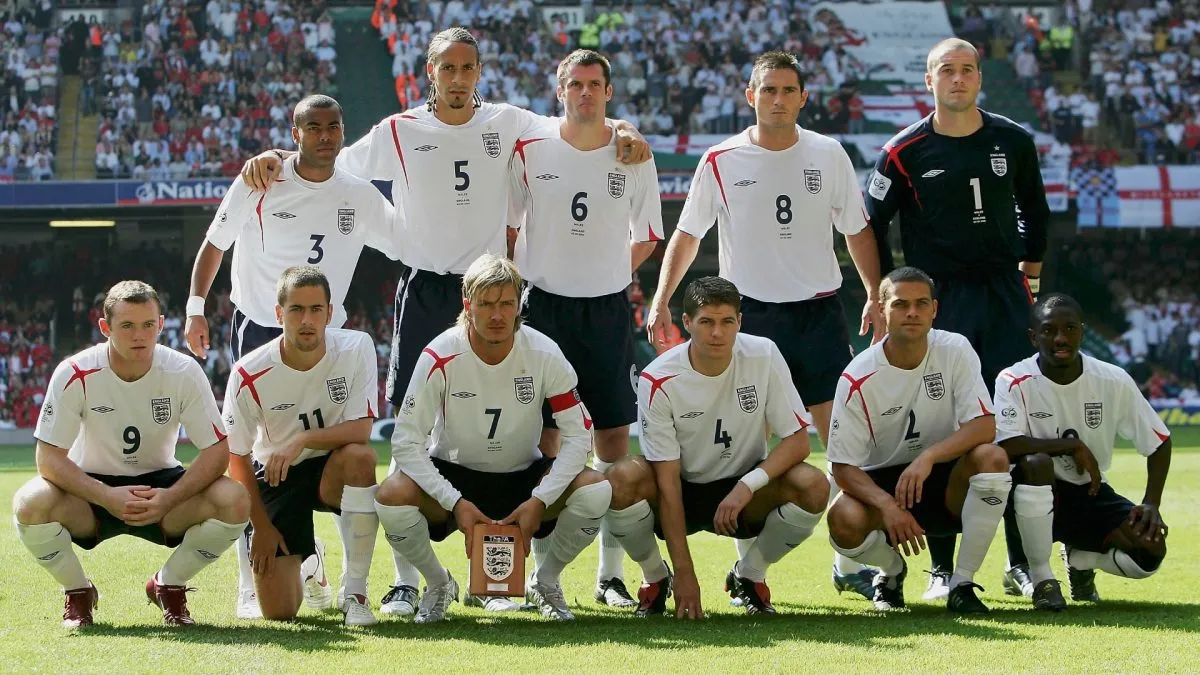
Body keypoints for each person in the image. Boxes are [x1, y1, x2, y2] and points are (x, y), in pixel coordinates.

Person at [240, 28, 649, 615]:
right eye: (447, 69)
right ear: (428, 72)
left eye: (468, 68)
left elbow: (579, 121)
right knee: (413, 429)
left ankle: (514, 567)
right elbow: (328, 160)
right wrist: (275, 158)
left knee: (528, 428)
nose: (458, 79)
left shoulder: (508, 123)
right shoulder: (399, 132)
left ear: (479, 72)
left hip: (488, 292)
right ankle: (411, 580)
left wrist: (627, 132)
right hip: (427, 288)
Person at [646, 51, 884, 600]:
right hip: (748, 319)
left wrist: (873, 293)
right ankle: (748, 568)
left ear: (804, 98)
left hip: (819, 315)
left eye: (788, 90)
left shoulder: (828, 154)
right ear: (749, 97)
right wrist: (661, 300)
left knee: (842, 447)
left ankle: (850, 563)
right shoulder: (721, 159)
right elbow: (687, 235)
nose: (778, 99)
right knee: (749, 444)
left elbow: (857, 230)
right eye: (767, 90)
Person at [186, 93, 398, 619]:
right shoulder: (263, 178)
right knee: (255, 454)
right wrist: (195, 309)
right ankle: (248, 579)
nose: (326, 136)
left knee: (333, 454)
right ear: (296, 131)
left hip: (327, 333)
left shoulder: (359, 194)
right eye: (314, 127)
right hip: (260, 325)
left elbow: (409, 242)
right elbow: (216, 242)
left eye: (335, 126)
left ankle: (340, 577)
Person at [863, 37, 1051, 600]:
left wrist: (1031, 283)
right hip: (938, 300)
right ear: (930, 81)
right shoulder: (903, 150)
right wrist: (885, 294)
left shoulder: (1013, 140)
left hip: (1002, 296)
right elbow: (871, 226)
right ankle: (940, 566)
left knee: (1014, 422)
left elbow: (1037, 212)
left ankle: (1023, 562)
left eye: (968, 70)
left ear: (979, 79)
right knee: (939, 425)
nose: (959, 79)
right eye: (947, 70)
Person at [507, 48, 663, 608]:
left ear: (609, 91)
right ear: (559, 91)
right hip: (544, 307)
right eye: (575, 83)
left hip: (606, 308)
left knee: (613, 440)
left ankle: (609, 574)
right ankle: (525, 576)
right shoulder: (530, 144)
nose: (585, 93)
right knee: (544, 439)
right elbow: (508, 227)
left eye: (595, 84)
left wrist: (603, 272)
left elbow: (648, 234)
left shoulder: (632, 154)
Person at [375, 254, 610, 623]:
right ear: (467, 304)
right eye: (486, 304)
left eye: (506, 304)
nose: (497, 315)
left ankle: (545, 581)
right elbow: (405, 442)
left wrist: (539, 499)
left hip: (523, 477)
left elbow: (580, 437)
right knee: (390, 495)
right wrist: (455, 502)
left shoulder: (545, 353)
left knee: (597, 488)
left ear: (520, 305)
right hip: (453, 475)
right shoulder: (439, 355)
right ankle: (438, 583)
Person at [13, 281, 249, 627]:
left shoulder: (182, 371)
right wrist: (106, 496)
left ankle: (168, 584)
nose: (140, 335)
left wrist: (169, 498)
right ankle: (78, 592)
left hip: (161, 488)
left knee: (235, 500)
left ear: (161, 323)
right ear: (105, 328)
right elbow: (48, 459)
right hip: (91, 490)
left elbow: (217, 452)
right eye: (127, 326)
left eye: (148, 325)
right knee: (29, 503)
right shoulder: (75, 372)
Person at [606, 276, 828, 617]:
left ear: (739, 321)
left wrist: (747, 485)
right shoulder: (658, 379)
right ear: (687, 323)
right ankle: (656, 577)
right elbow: (667, 483)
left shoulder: (763, 354)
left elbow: (797, 441)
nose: (717, 333)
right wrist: (685, 573)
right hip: (680, 488)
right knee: (620, 478)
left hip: (743, 494)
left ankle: (749, 575)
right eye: (706, 322)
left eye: (727, 322)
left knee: (813, 485)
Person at [826, 267, 1012, 614]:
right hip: (882, 484)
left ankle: (962, 584)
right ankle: (891, 573)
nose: (912, 312)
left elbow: (985, 425)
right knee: (842, 519)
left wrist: (927, 458)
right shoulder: (857, 377)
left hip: (942, 476)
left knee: (993, 458)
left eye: (921, 303)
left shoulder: (955, 349)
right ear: (882, 310)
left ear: (934, 310)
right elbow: (842, 467)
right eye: (900, 304)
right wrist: (887, 506)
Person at [223, 267, 381, 626]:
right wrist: (261, 528)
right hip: (276, 475)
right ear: (279, 314)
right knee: (279, 613)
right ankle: (312, 562)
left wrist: (303, 439)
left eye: (315, 309)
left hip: (331, 466)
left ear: (329, 312)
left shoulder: (356, 348)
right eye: (296, 310)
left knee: (361, 459)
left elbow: (362, 428)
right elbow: (236, 457)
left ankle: (355, 592)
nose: (306, 320)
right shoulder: (248, 373)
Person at [995, 293, 1171, 609]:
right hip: (1033, 493)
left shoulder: (1112, 379)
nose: (1061, 338)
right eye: (1049, 330)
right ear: (1033, 337)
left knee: (1150, 549)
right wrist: (1072, 445)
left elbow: (1159, 441)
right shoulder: (1013, 379)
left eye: (1070, 329)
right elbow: (1006, 445)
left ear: (1082, 332)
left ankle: (1081, 559)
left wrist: (1151, 503)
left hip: (1089, 491)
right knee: (1035, 464)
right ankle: (1042, 580)